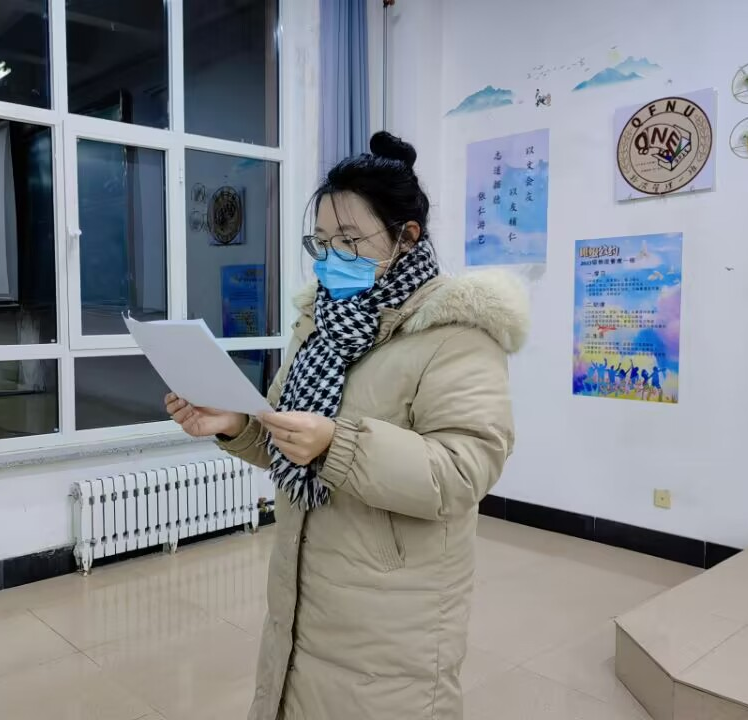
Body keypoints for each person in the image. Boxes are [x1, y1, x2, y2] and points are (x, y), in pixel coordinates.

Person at [165, 132, 529, 720]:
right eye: (323, 240)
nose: (332, 255)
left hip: (392, 616)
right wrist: (235, 424)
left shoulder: (458, 335)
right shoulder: (321, 324)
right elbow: (290, 440)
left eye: (350, 240)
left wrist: (337, 444)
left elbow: (464, 470)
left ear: (406, 236)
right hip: (305, 590)